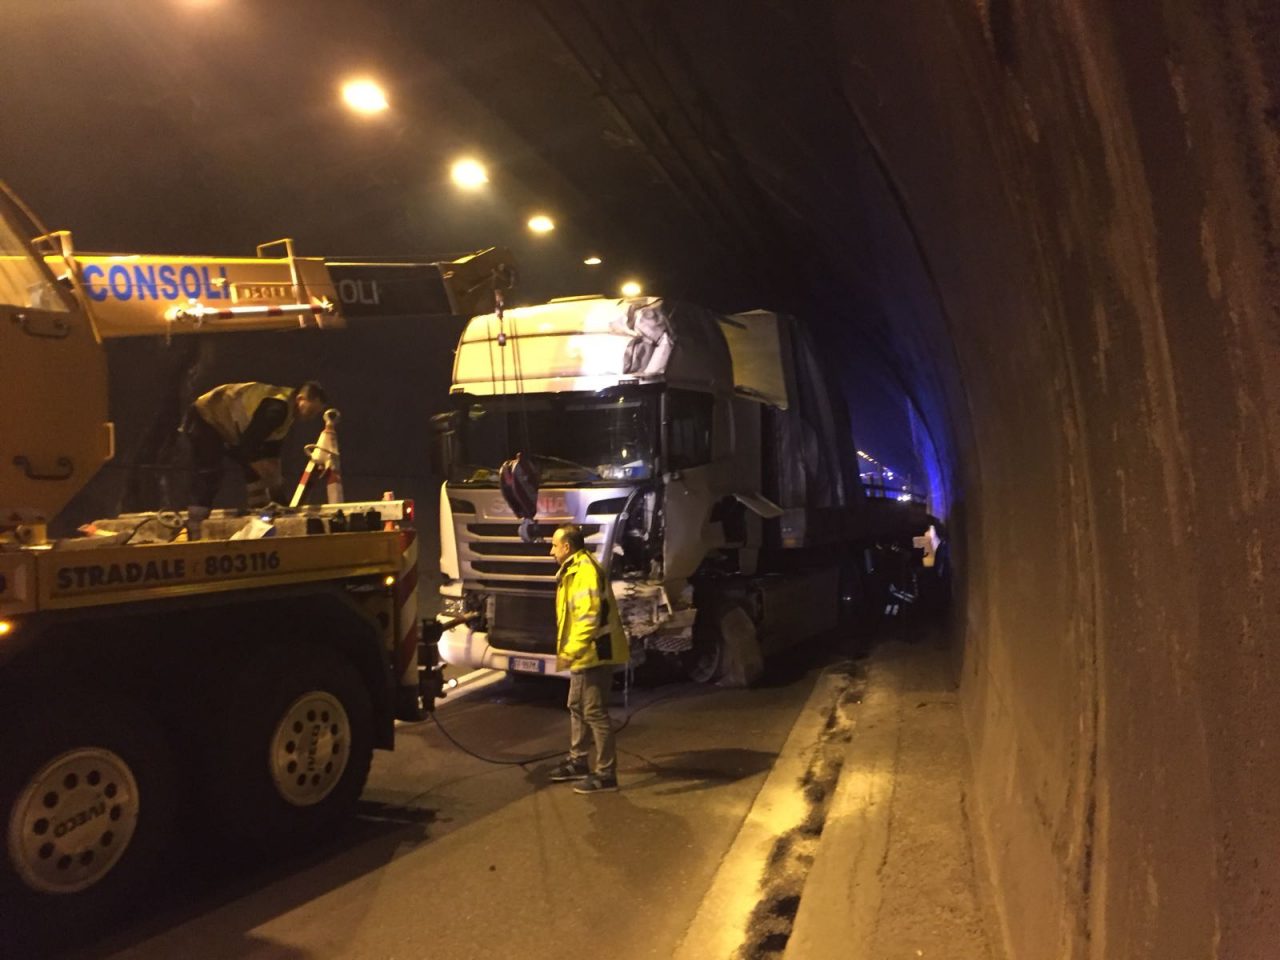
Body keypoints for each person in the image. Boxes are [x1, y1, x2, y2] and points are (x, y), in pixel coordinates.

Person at [547, 523, 629, 794]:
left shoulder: (584, 571)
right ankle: (578, 761)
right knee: (576, 706)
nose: (551, 552)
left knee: (593, 711)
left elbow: (588, 618)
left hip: (594, 653)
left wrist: (571, 650)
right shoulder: (574, 569)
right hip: (585, 652)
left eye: (554, 546)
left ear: (567, 546)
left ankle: (606, 774)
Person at [184, 381, 327, 531]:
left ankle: (261, 516)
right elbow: (248, 447)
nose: (311, 417)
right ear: (300, 399)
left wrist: (276, 488)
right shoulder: (277, 409)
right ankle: (195, 524)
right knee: (209, 471)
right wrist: (271, 480)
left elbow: (271, 453)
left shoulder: (287, 413)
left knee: (254, 470)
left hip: (225, 425)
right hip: (206, 415)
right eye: (311, 411)